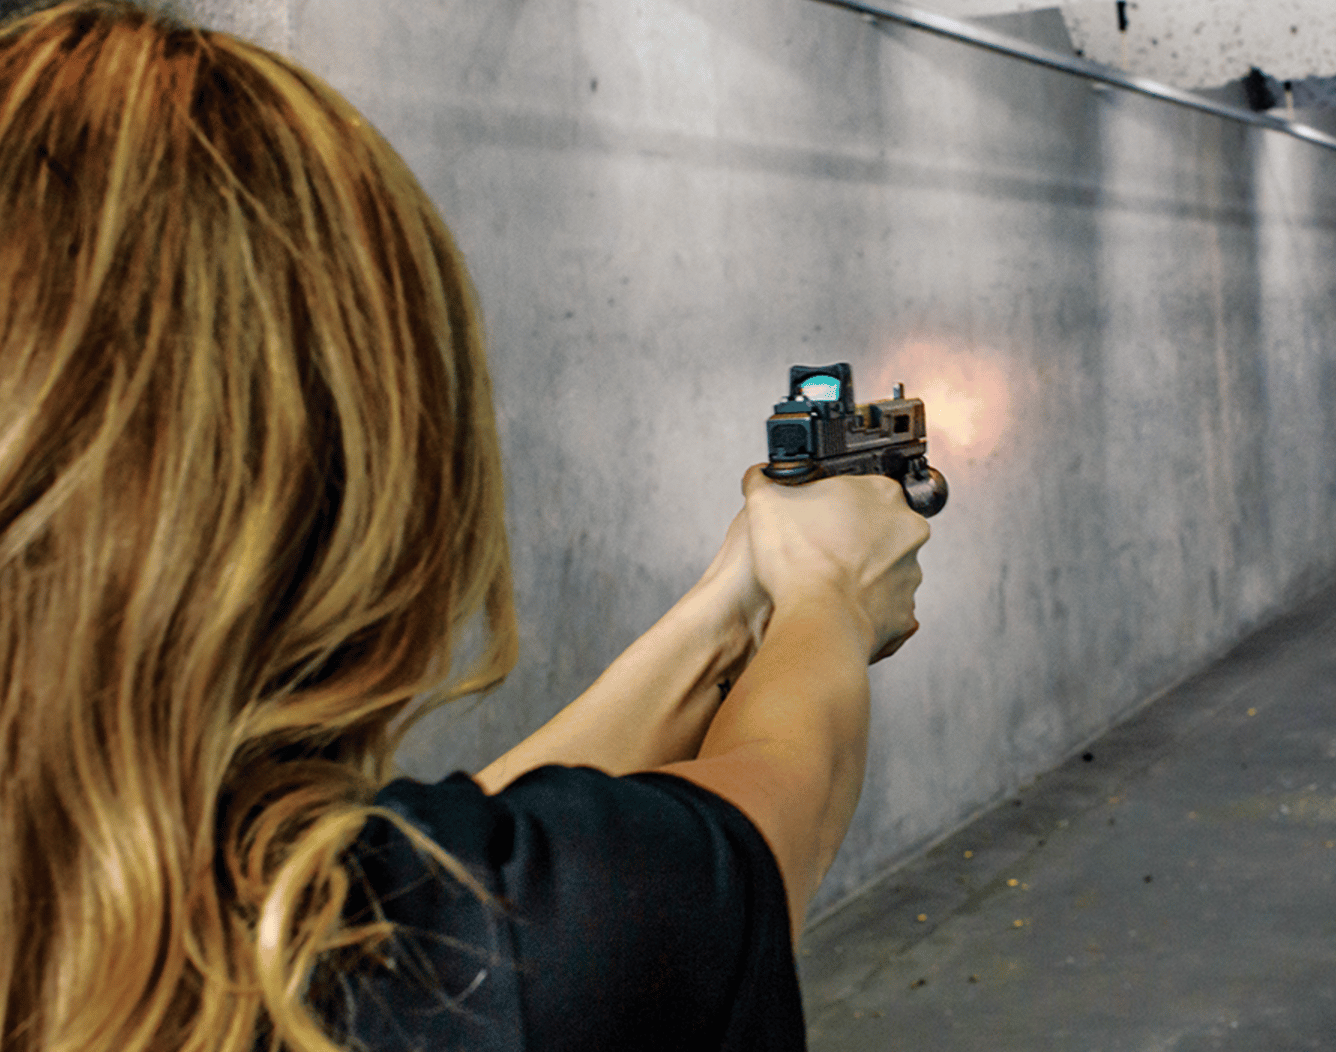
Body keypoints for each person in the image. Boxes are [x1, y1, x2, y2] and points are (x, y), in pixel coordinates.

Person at [0, 2, 930, 1050]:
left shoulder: (123, 899)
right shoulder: (493, 960)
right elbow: (752, 843)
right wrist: (832, 598)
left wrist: (733, 605)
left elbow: (433, 867)